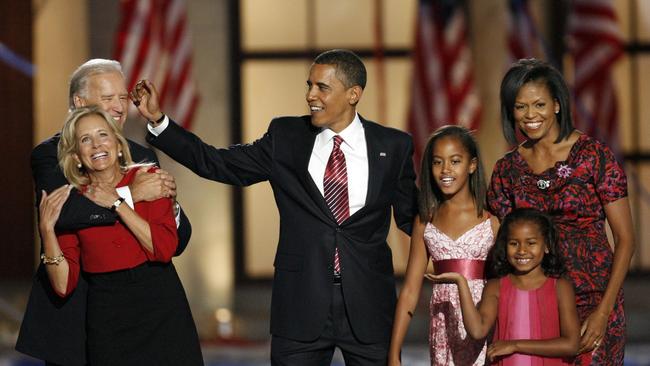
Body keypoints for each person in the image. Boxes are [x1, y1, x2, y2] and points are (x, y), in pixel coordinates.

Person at [133, 49, 418, 365]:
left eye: (322, 87)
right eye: (309, 85)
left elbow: (413, 218)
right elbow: (217, 163)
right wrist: (160, 122)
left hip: (368, 307)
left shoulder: (393, 146)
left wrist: (463, 249)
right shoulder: (286, 137)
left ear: (353, 94)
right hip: (300, 306)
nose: (311, 95)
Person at [16, 59, 193, 366]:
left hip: (151, 308)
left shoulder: (141, 155)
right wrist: (130, 196)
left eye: (123, 98)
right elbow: (66, 212)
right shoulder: (50, 154)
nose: (119, 107)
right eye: (108, 98)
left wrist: (170, 203)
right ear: (80, 103)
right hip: (77, 315)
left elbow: (176, 240)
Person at [488, 59, 635, 365]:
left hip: (594, 298)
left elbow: (625, 240)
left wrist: (603, 312)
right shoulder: (507, 169)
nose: (530, 115)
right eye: (520, 107)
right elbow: (500, 245)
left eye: (539, 104)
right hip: (536, 303)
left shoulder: (594, 156)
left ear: (557, 105)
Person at [388, 125, 498, 366]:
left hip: (485, 322)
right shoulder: (425, 221)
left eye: (455, 161)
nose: (445, 170)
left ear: (472, 165)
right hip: (443, 324)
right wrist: (394, 352)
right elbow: (409, 292)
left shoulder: (493, 220)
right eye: (437, 162)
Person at [429, 208, 580, 365]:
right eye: (514, 243)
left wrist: (515, 345)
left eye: (531, 243)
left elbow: (571, 345)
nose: (522, 250)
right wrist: (461, 282)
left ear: (547, 246)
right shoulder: (496, 287)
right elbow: (477, 330)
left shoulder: (561, 287)